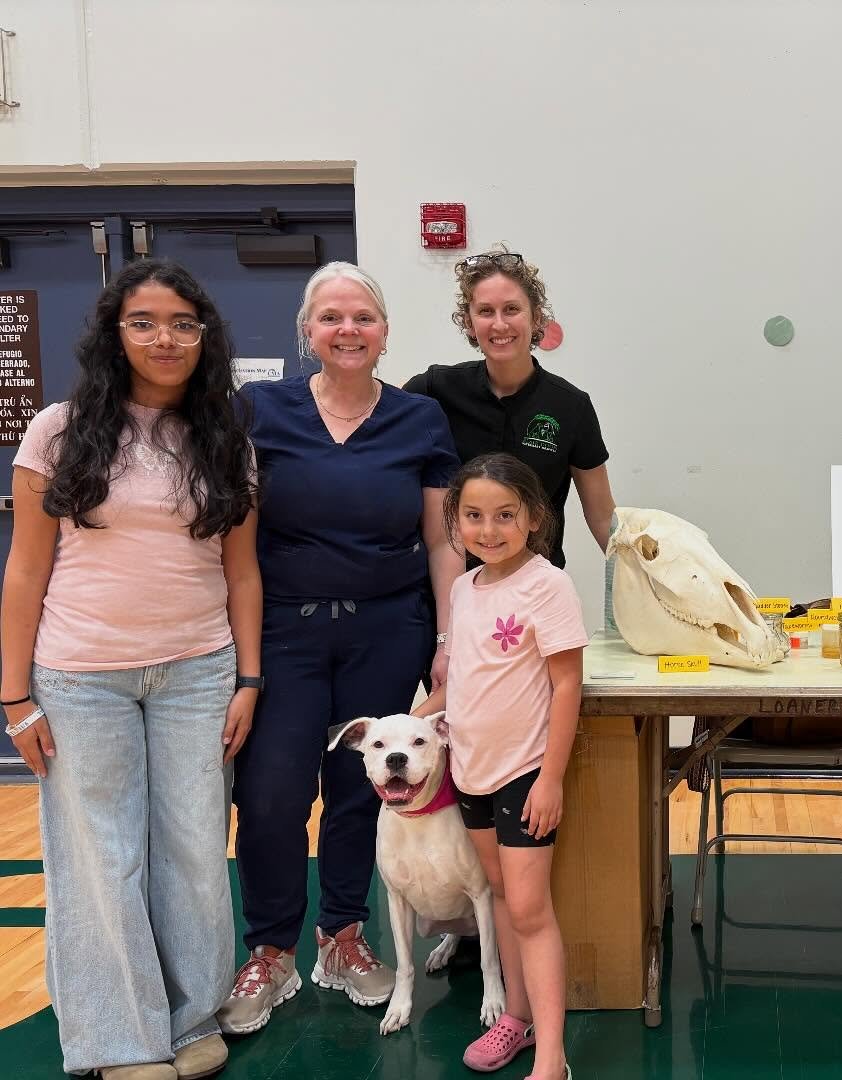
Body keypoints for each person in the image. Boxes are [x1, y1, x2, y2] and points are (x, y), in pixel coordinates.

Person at [0, 259, 260, 1080]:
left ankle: (189, 1021)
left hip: (197, 672)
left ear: (205, 336)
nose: (165, 338)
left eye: (184, 323)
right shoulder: (57, 429)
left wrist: (247, 679)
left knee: (191, 848)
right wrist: (14, 696)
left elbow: (242, 572)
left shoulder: (225, 438)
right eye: (144, 321)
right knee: (101, 856)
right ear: (115, 334)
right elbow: (24, 572)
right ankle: (120, 1037)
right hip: (82, 676)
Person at [219, 263, 462, 1036]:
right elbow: (239, 544)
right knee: (270, 797)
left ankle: (345, 938)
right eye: (330, 318)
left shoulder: (419, 419)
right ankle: (270, 949)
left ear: (385, 332)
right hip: (285, 629)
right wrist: (246, 660)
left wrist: (449, 640)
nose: (347, 329)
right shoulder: (260, 410)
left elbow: (441, 540)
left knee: (366, 793)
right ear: (307, 332)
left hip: (388, 628)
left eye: (362, 317)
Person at [413, 452, 586, 1080]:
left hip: (524, 774)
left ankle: (551, 1056)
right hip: (470, 774)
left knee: (531, 909)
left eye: (505, 515)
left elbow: (567, 687)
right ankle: (514, 1019)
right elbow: (460, 683)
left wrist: (550, 778)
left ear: (534, 518)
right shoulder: (464, 588)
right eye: (475, 516)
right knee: (506, 899)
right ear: (454, 522)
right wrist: (408, 721)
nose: (489, 530)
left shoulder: (548, 584)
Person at [403, 246, 615, 570]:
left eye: (512, 309)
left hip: (534, 594)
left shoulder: (571, 407)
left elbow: (602, 519)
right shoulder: (435, 389)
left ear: (537, 317)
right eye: (486, 311)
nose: (499, 324)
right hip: (452, 589)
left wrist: (646, 586)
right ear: (469, 323)